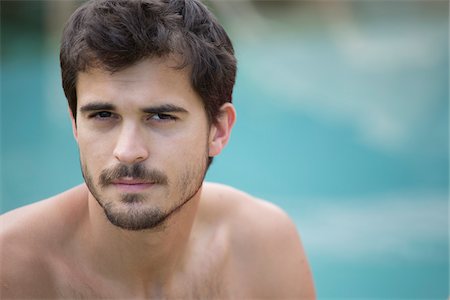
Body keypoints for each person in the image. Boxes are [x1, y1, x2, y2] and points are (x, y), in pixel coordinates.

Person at [0, 0, 315, 298]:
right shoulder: (10, 269)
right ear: (75, 125)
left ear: (218, 129)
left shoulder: (263, 250)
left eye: (160, 116)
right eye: (103, 115)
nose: (127, 151)